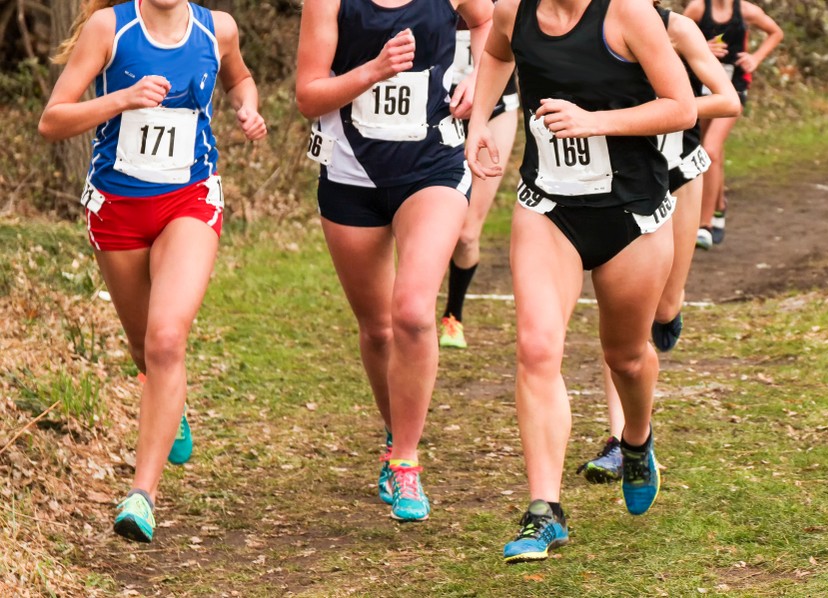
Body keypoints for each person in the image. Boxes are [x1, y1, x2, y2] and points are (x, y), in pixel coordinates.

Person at [466, 0, 696, 562]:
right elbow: (497, 54)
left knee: (626, 357)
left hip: (632, 212)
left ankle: (637, 440)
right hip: (548, 207)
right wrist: (478, 122)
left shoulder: (628, 15)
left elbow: (683, 107)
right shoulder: (511, 12)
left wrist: (596, 122)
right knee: (537, 347)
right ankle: (545, 509)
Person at [38, 0, 267, 543]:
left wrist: (247, 107)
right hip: (117, 209)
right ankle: (170, 400)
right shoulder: (109, 28)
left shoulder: (218, 30)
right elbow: (52, 120)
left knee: (167, 341)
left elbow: (242, 79)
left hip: (189, 198)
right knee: (144, 349)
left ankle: (142, 493)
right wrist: (120, 98)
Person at [295, 0, 493, 522]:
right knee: (378, 328)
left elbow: (492, 22)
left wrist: (478, 77)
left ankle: (406, 461)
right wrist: (374, 70)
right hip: (350, 178)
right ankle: (394, 433)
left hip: (434, 166)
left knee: (410, 311)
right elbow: (308, 95)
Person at [578, 3, 741, 484]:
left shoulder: (680, 28)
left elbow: (728, 100)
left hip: (675, 171)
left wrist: (660, 105)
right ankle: (622, 439)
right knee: (623, 315)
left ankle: (673, 308)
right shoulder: (589, 28)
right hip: (620, 180)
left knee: (663, 310)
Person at [438, 13, 520, 350]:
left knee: (467, 232)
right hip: (433, 107)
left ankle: (452, 316)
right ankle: (410, 312)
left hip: (495, 106)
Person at [684, 0, 782, 249]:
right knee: (711, 152)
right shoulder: (697, 9)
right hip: (704, 85)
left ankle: (704, 225)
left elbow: (776, 32)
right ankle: (719, 207)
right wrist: (701, 47)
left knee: (710, 150)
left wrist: (756, 58)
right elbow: (674, 40)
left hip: (734, 87)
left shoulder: (746, 10)